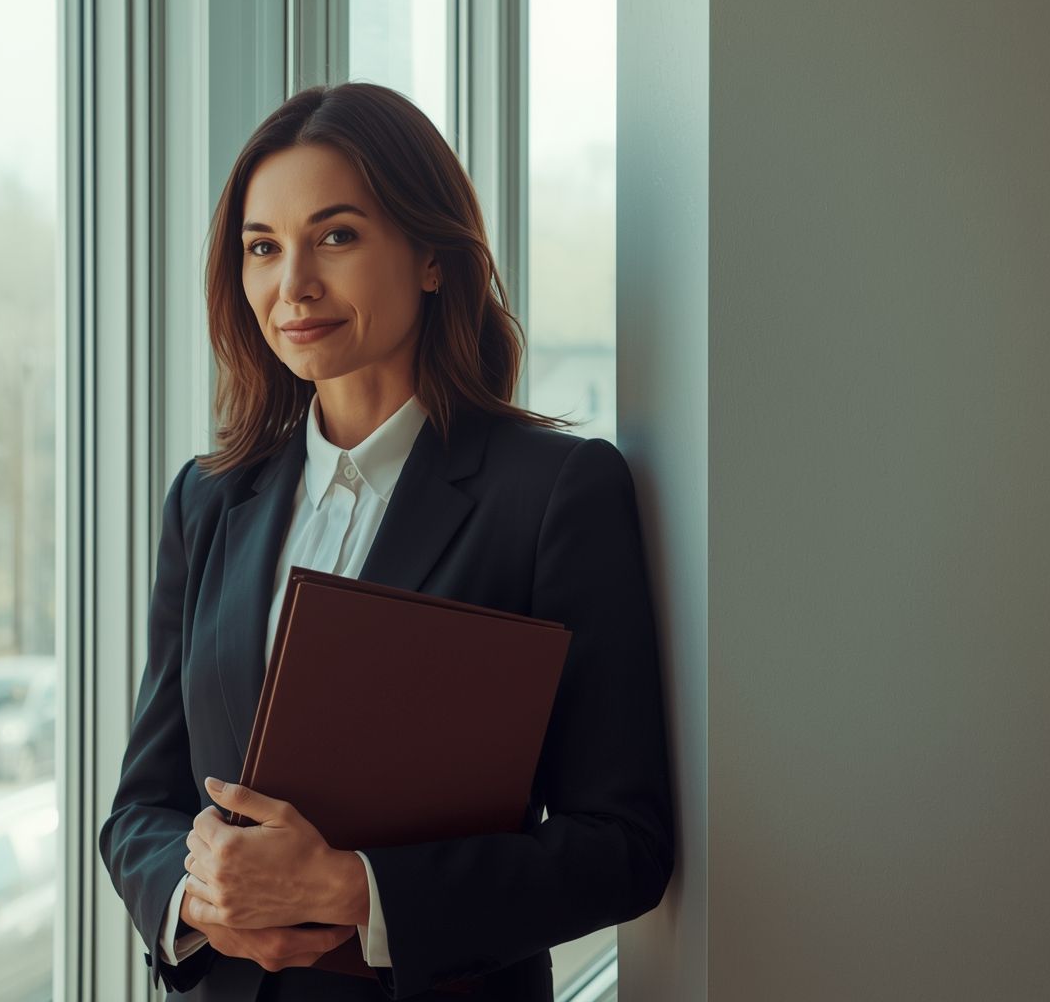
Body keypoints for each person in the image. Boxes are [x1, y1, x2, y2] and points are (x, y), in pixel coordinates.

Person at [97, 82, 675, 1001]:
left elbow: (623, 844)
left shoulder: (555, 493)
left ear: (434, 256)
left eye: (336, 236)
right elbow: (142, 806)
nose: (293, 287)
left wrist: (357, 891)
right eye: (262, 248)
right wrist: (198, 899)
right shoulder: (208, 500)